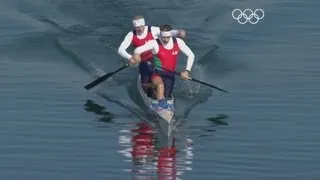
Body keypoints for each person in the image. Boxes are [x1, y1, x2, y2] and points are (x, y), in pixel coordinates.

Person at [117, 15, 186, 96]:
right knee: (146, 86)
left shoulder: (152, 30)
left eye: (142, 26)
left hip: (156, 59)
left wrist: (178, 33)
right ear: (134, 27)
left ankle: (161, 91)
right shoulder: (131, 35)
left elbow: (167, 33)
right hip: (143, 61)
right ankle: (151, 90)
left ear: (144, 24)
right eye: (137, 27)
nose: (140, 29)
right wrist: (130, 57)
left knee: (162, 76)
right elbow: (120, 50)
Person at [132, 24, 195, 109]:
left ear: (170, 35)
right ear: (160, 35)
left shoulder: (178, 42)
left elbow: (191, 55)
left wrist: (187, 71)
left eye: (167, 37)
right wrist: (136, 55)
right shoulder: (154, 43)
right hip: (157, 72)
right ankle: (157, 100)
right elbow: (138, 50)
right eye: (163, 37)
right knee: (159, 86)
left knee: (167, 95)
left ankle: (157, 94)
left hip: (170, 75)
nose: (165, 40)